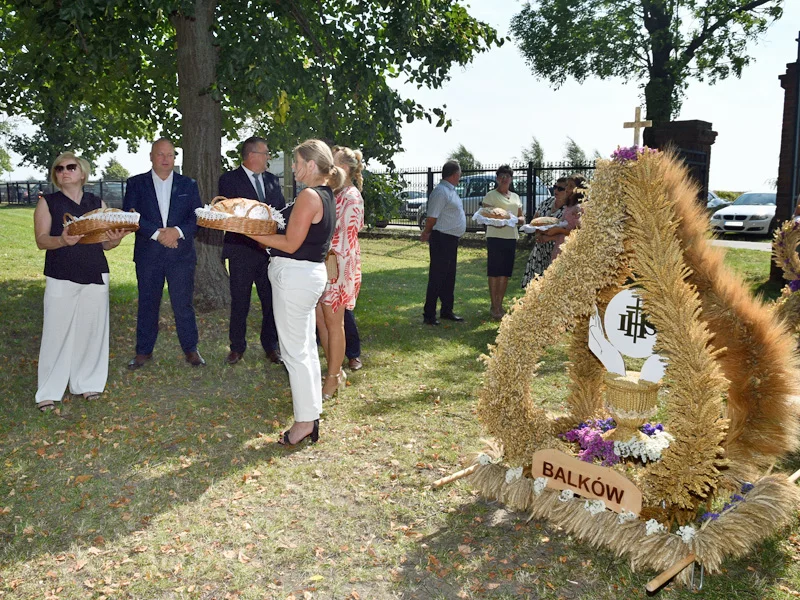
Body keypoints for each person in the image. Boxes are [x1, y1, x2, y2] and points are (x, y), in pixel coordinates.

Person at [246, 139, 342, 446]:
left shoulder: (309, 196)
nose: (293, 167)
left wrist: (248, 232)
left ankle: (304, 423)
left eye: (297, 162)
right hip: (306, 277)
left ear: (311, 165)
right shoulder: (326, 195)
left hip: (296, 278)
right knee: (305, 350)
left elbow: (290, 244)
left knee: (295, 353)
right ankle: (311, 415)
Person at [33, 152, 130, 412]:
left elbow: (105, 244)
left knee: (92, 331)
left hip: (95, 272)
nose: (64, 171)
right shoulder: (48, 202)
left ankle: (88, 383)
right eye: (59, 169)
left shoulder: (96, 202)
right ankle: (48, 392)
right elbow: (41, 239)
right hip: (60, 273)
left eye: (70, 167)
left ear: (83, 173)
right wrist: (62, 240)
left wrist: (116, 238)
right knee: (56, 333)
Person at [123, 138, 205, 370]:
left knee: (183, 304)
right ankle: (143, 352)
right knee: (148, 303)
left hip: (181, 254)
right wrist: (157, 234)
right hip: (149, 254)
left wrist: (176, 232)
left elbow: (196, 217)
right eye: (160, 154)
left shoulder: (188, 184)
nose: (166, 159)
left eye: (170, 155)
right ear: (151, 156)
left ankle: (191, 349)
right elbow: (130, 215)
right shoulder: (136, 184)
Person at [219, 136, 286, 366]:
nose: (268, 157)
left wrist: (271, 238)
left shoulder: (272, 180)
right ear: (251, 156)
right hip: (241, 252)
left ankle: (271, 346)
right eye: (265, 153)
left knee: (271, 301)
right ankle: (237, 347)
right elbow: (232, 215)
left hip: (269, 253)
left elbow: (279, 212)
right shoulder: (229, 180)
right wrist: (255, 237)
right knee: (240, 302)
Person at [315, 145, 365, 400]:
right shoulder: (331, 193)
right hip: (322, 263)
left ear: (343, 168)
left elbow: (342, 235)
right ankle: (334, 371)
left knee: (335, 324)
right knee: (321, 321)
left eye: (331, 164)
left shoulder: (352, 197)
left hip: (338, 266)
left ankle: (332, 378)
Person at [421, 160, 466, 325]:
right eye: (459, 174)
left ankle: (447, 310)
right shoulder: (441, 192)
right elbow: (432, 217)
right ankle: (429, 314)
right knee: (437, 276)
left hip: (451, 239)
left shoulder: (450, 191)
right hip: (441, 239)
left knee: (449, 277)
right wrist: (426, 232)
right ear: (455, 174)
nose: (460, 177)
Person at [482, 165, 524, 320]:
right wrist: (498, 221)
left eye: (507, 176)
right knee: (494, 272)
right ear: (497, 178)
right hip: (495, 237)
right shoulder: (491, 195)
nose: (504, 179)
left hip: (511, 237)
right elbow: (485, 215)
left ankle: (500, 304)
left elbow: (521, 218)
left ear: (511, 179)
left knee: (505, 273)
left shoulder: (515, 197)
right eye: (501, 176)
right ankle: (494, 306)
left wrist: (516, 219)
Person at [521, 176, 570, 287]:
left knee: (552, 285)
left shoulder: (569, 208)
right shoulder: (547, 202)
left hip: (557, 249)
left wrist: (551, 237)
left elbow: (570, 231)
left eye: (560, 189)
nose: (556, 191)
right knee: (534, 284)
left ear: (568, 191)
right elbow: (535, 221)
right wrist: (537, 233)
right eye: (555, 187)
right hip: (540, 249)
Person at [550, 186, 587, 260]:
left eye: (570, 185)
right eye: (566, 185)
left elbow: (579, 233)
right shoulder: (568, 207)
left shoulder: (579, 209)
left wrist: (559, 230)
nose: (566, 188)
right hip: (561, 247)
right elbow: (565, 231)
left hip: (572, 250)